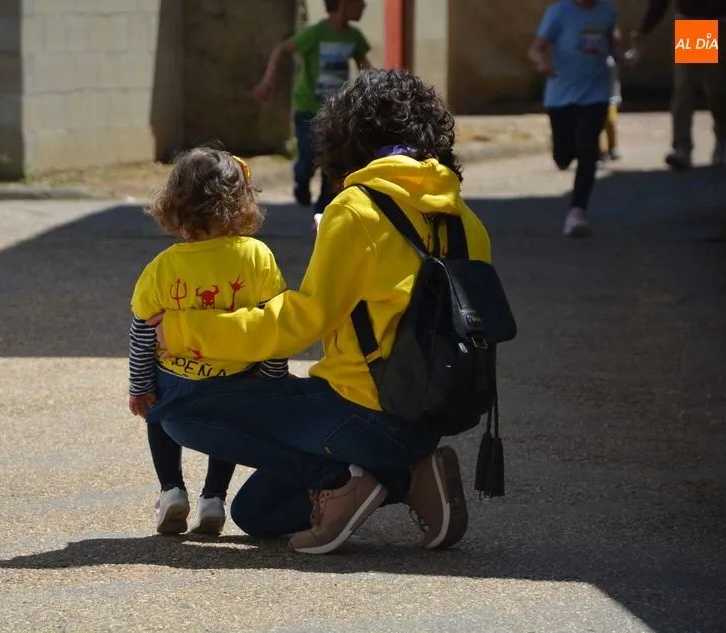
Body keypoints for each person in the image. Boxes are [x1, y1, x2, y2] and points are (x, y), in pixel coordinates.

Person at [146, 68, 490, 555]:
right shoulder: (465, 218)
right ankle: (409, 476)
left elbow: (300, 322)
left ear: (348, 133)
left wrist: (185, 329)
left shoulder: (356, 208)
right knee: (256, 513)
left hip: (364, 413)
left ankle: (357, 480)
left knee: (177, 413)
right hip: (430, 416)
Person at [128, 148, 289, 536]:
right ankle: (214, 498)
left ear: (174, 204)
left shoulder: (163, 266)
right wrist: (273, 377)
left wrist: (140, 386)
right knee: (225, 430)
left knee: (158, 418)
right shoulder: (256, 256)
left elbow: (142, 330)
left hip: (175, 378)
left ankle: (171, 491)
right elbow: (277, 321)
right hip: (234, 375)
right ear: (240, 203)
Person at [252, 0, 372, 229]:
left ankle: (323, 209)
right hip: (307, 106)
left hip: (336, 111)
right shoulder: (316, 33)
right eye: (360, 3)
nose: (364, 6)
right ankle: (301, 179)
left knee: (333, 162)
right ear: (344, 4)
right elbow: (282, 49)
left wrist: (376, 87)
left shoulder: (354, 36)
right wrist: (268, 81)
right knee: (308, 157)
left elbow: (365, 65)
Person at [529, 0, 625, 238]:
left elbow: (612, 44)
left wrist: (624, 56)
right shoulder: (558, 12)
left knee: (588, 150)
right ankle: (564, 155)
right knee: (563, 156)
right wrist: (543, 63)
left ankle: (577, 211)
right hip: (561, 94)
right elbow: (536, 48)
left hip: (596, 92)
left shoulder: (608, 10)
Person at [629, 0, 726, 169]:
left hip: (720, 20)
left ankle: (721, 132)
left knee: (717, 88)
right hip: (692, 21)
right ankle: (682, 147)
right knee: (685, 86)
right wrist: (644, 28)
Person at [599, 29, 626, 162]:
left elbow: (628, 59)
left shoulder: (615, 56)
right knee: (597, 124)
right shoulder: (595, 56)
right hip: (596, 97)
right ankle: (600, 151)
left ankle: (612, 148)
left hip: (611, 97)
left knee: (610, 122)